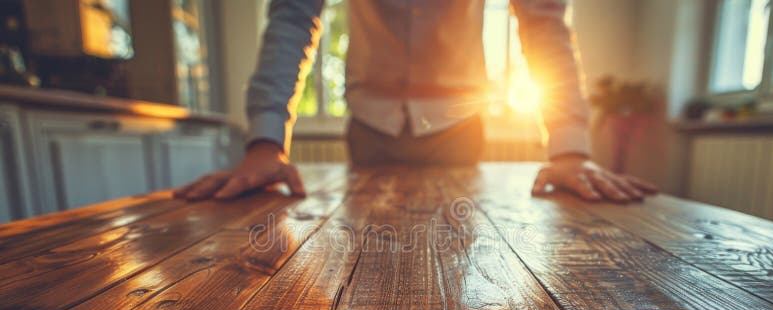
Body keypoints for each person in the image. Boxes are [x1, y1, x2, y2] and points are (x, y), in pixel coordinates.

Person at [175, 0, 656, 202]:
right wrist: (265, 142)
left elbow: (542, 23)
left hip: (459, 125)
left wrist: (570, 147)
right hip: (369, 124)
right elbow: (292, 18)